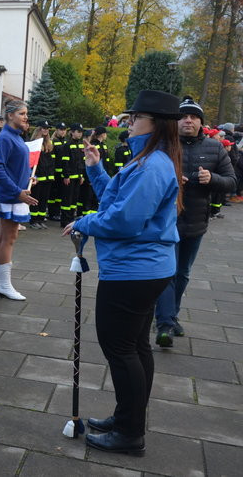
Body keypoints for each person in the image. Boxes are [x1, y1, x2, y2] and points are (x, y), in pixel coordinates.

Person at [64, 90, 182, 456]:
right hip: (142, 268)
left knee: (120, 348)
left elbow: (123, 221)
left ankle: (130, 433)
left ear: (155, 124)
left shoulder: (150, 166)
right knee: (135, 346)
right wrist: (95, 169)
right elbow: (116, 203)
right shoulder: (147, 160)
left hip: (134, 271)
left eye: (135, 118)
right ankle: (128, 418)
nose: (128, 123)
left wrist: (83, 222)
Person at [153, 97, 236, 347]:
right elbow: (144, 175)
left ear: (201, 122)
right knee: (167, 272)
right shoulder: (162, 145)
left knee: (183, 273)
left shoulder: (215, 148)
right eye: (183, 116)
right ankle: (165, 324)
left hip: (197, 223)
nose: (188, 120)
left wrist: (212, 179)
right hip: (167, 221)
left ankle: (172, 315)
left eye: (193, 117)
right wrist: (170, 179)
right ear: (175, 121)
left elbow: (232, 181)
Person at [0, 101, 37, 301]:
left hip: (13, 193)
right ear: (10, 115)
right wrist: (18, 192)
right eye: (22, 113)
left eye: (26, 113)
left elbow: (14, 166)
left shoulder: (15, 136)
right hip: (11, 195)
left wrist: (28, 177)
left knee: (3, 237)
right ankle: (4, 284)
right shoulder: (6, 137)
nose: (26, 117)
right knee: (8, 238)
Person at [28, 123, 54, 229]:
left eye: (47, 128)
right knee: (35, 199)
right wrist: (34, 175)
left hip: (47, 177)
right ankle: (33, 220)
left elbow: (51, 162)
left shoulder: (49, 144)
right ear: (39, 129)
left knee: (44, 200)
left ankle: (41, 219)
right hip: (38, 177)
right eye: (44, 128)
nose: (46, 130)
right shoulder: (34, 143)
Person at [59, 123, 84, 227]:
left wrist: (81, 175)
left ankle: (71, 219)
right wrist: (66, 175)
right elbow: (65, 161)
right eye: (78, 132)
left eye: (81, 132)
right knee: (67, 200)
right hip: (69, 177)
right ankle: (65, 221)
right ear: (72, 132)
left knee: (74, 200)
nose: (80, 134)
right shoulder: (67, 145)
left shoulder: (81, 144)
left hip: (78, 177)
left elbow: (82, 161)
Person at [48, 122, 68, 222]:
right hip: (55, 172)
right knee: (53, 194)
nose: (63, 132)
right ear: (56, 130)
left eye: (64, 130)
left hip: (63, 173)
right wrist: (51, 173)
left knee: (60, 194)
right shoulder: (53, 141)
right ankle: (52, 213)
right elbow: (51, 159)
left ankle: (57, 212)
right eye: (61, 130)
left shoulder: (66, 141)